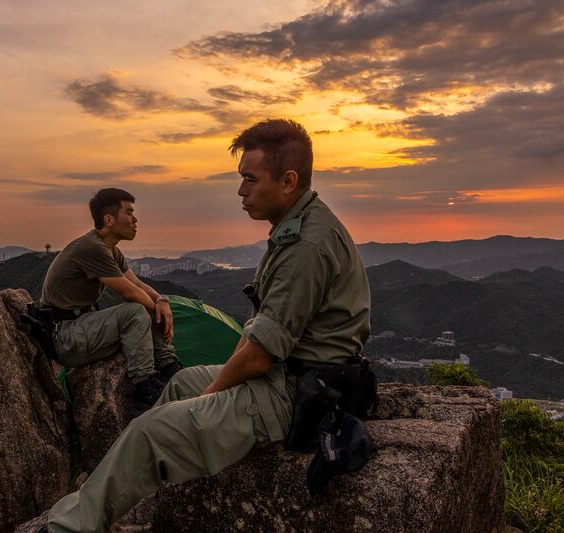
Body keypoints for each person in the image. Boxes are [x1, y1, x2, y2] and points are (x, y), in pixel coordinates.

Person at [44, 119, 371, 532]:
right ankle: (104, 500)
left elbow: (258, 355)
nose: (240, 190)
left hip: (296, 392)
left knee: (150, 431)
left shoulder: (306, 246)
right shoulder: (296, 227)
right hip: (285, 375)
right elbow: (258, 334)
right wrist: (200, 396)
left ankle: (65, 528)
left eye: (250, 180)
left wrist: (206, 401)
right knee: (180, 385)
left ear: (288, 181)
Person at [40, 187, 182, 415]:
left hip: (82, 325)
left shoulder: (110, 249)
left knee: (147, 307)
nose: (135, 219)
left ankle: (168, 367)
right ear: (109, 219)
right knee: (136, 311)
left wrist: (162, 300)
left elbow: (137, 284)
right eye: (129, 212)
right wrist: (157, 307)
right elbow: (131, 294)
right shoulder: (92, 248)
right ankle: (144, 389)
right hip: (66, 336)